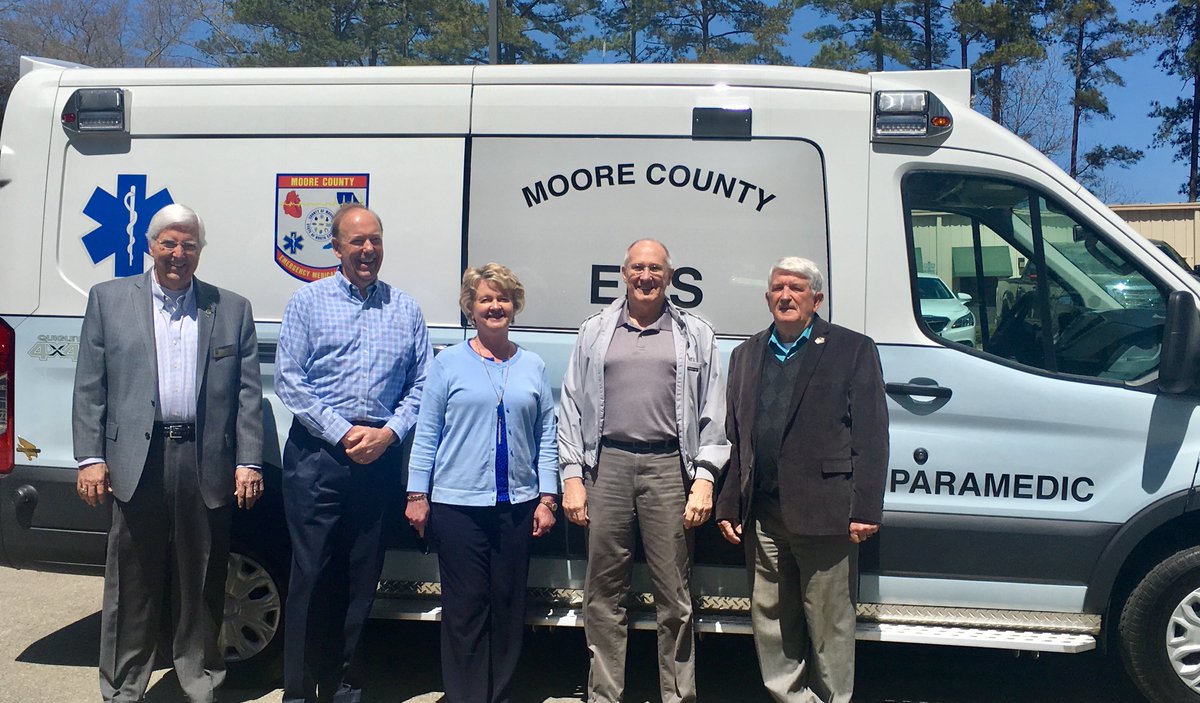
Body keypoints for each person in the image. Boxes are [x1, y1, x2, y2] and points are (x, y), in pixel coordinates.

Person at [72, 203, 264, 703]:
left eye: (189, 245)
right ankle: (122, 686)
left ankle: (199, 682)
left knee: (202, 579)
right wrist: (90, 457)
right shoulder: (109, 300)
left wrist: (249, 461)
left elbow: (247, 394)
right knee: (131, 581)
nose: (178, 254)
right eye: (169, 243)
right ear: (150, 246)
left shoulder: (231, 308)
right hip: (138, 458)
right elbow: (91, 386)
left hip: (205, 459)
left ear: (200, 251)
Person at [558, 239, 728, 703]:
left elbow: (714, 411)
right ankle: (604, 695)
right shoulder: (595, 330)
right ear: (624, 273)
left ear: (670, 275)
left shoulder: (695, 332)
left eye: (655, 268)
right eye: (638, 268)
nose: (646, 276)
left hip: (670, 468)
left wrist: (705, 479)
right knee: (603, 593)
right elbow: (571, 405)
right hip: (606, 465)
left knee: (674, 594)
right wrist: (572, 475)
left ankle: (678, 696)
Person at [275, 202, 432, 703]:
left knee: (362, 578)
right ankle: (299, 691)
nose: (367, 250)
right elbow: (290, 382)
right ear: (336, 247)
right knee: (311, 575)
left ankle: (346, 685)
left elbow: (422, 385)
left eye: (375, 240)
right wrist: (344, 433)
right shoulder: (308, 301)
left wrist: (388, 435)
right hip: (317, 455)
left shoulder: (405, 309)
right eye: (357, 241)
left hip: (378, 459)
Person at [716, 257, 889, 703]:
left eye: (796, 288)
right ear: (768, 296)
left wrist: (866, 508)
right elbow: (738, 437)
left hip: (825, 511)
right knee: (770, 618)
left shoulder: (852, 348)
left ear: (817, 298)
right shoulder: (746, 354)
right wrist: (730, 501)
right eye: (778, 288)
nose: (786, 296)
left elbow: (871, 434)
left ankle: (835, 697)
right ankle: (792, 698)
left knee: (830, 621)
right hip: (765, 516)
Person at [406, 263, 559, 703]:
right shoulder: (448, 362)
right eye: (485, 300)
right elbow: (427, 432)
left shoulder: (531, 364)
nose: (495, 307)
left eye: (503, 299)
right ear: (470, 309)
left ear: (515, 306)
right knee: (465, 607)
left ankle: (501, 694)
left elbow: (545, 436)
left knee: (509, 607)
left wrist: (547, 498)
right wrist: (417, 495)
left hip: (517, 506)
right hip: (458, 506)